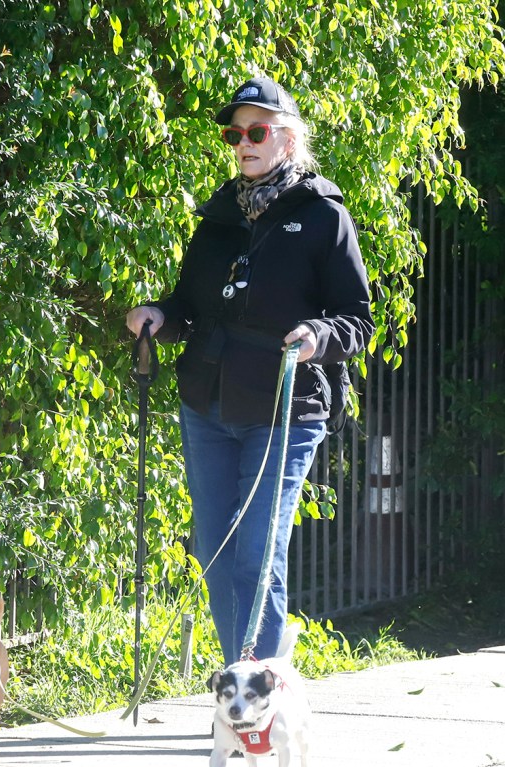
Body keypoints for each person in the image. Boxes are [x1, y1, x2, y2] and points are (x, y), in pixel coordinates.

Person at [126, 76, 373, 666]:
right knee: (215, 548)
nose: (244, 143)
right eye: (235, 133)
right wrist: (159, 315)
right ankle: (246, 675)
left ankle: (259, 690)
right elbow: (190, 305)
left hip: (284, 407)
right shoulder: (217, 217)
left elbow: (357, 322)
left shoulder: (323, 216)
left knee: (257, 553)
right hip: (206, 404)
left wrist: (318, 335)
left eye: (257, 131)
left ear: (287, 140)